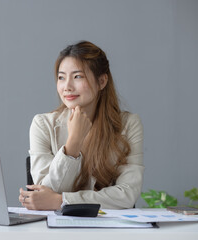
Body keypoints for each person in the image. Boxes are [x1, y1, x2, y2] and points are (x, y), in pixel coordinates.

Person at [19, 41, 144, 210]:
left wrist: (61, 200)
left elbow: (126, 195)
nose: (67, 87)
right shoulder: (43, 124)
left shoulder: (128, 125)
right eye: (61, 77)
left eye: (78, 76)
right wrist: (73, 143)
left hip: (109, 229)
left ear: (101, 81)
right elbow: (45, 192)